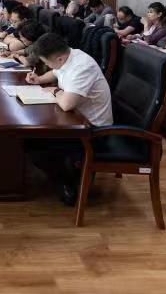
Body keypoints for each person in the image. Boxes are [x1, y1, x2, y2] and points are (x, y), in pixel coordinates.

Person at [25, 32, 114, 204]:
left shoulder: (82, 67)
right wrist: (39, 79)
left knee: (35, 147)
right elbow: (56, 72)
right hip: (76, 121)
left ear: (59, 58)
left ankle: (70, 184)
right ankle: (66, 174)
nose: (46, 65)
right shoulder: (69, 56)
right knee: (32, 139)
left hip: (93, 131)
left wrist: (55, 91)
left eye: (46, 62)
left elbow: (66, 104)